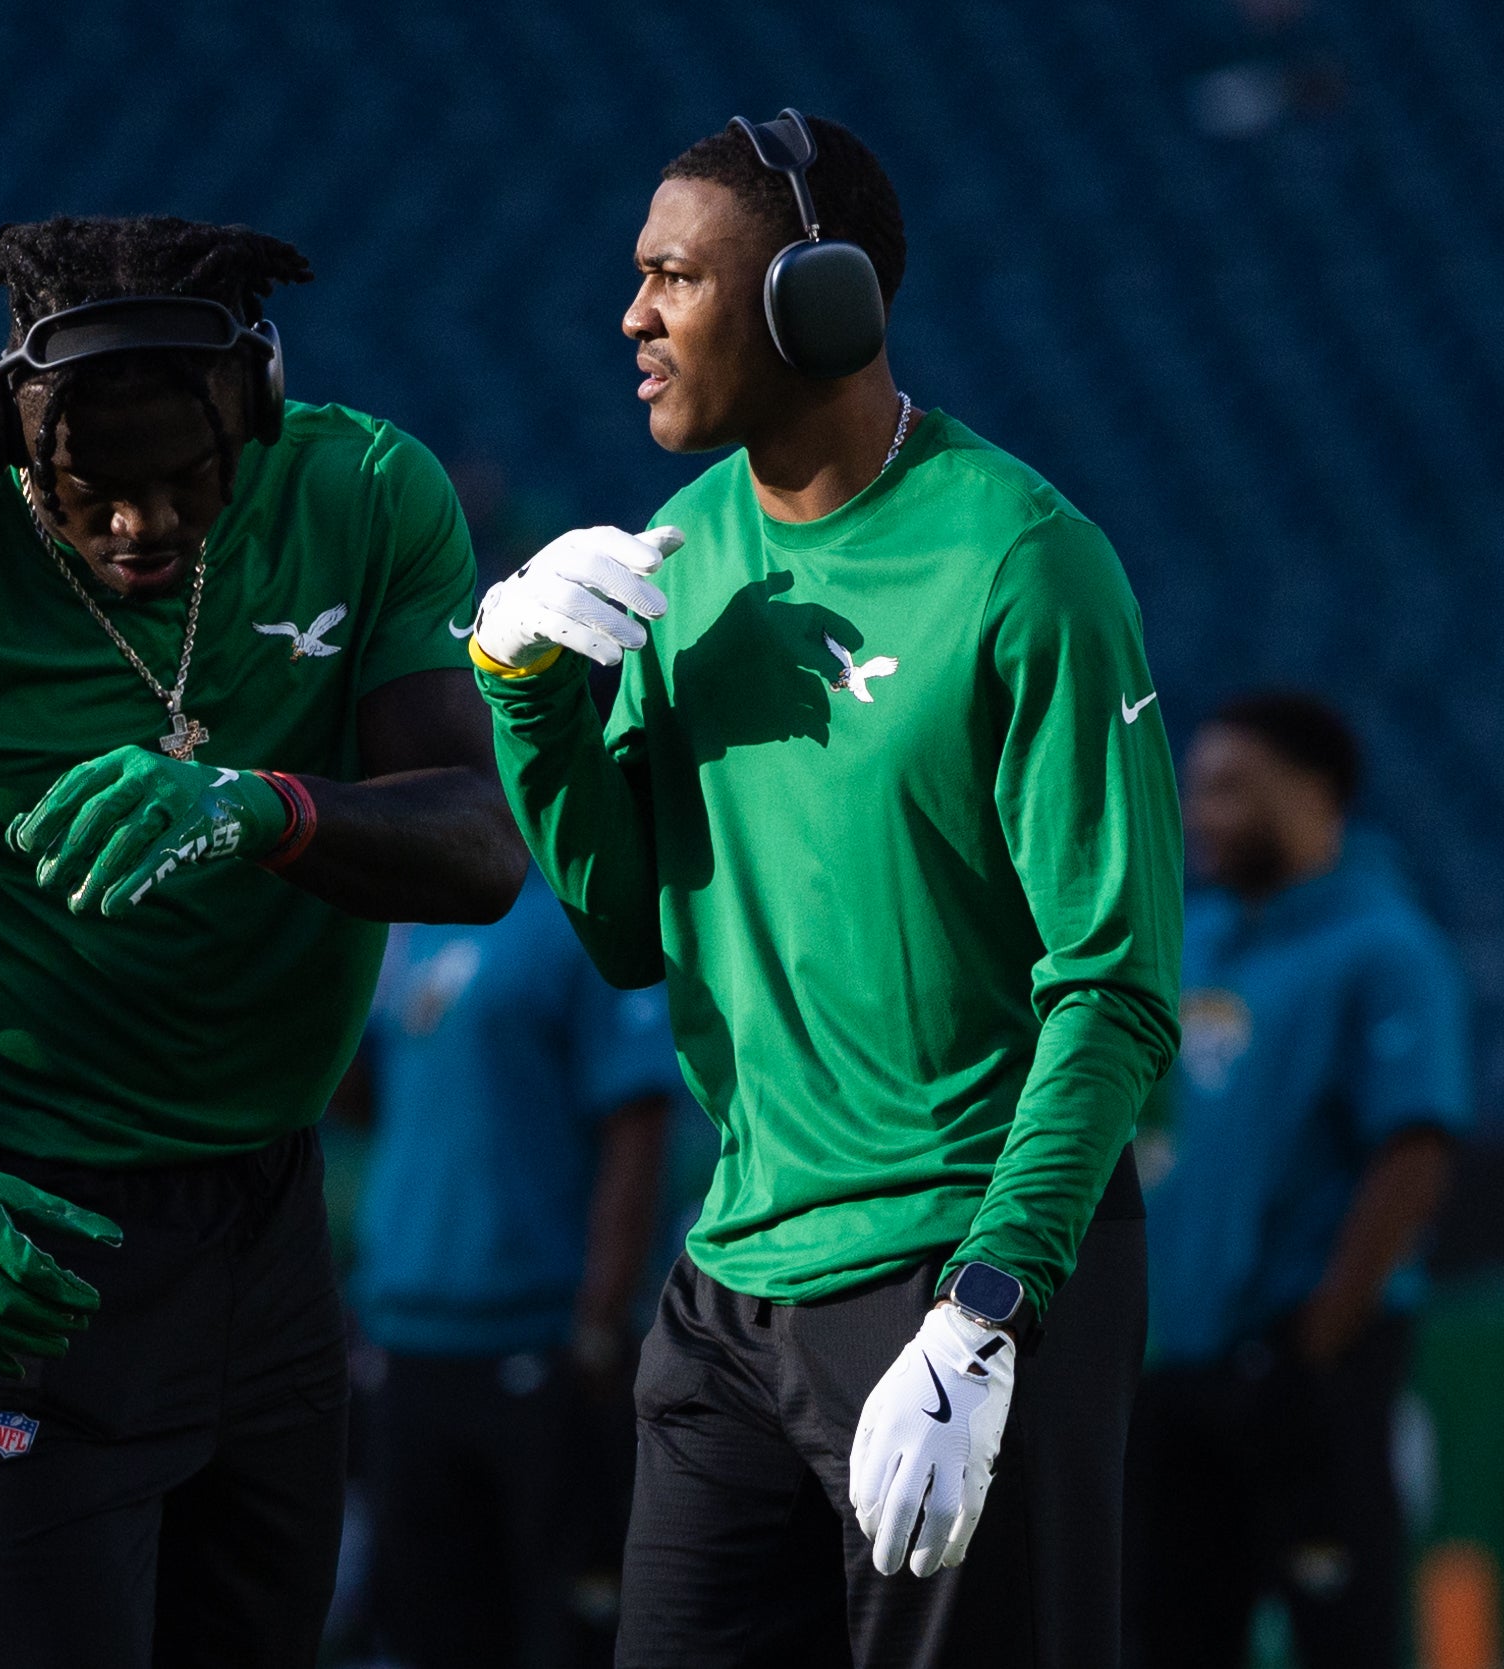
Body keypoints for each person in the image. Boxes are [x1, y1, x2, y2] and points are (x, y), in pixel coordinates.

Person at [0, 213, 527, 1668]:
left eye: (186, 478)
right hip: (7, 1235)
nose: (142, 527)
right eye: (90, 491)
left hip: (269, 1224)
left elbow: (478, 848)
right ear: (7, 428)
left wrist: (270, 810)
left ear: (255, 408)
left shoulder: (368, 495)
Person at [466, 111, 1183, 1664]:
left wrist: (988, 1317)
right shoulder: (676, 554)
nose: (630, 318)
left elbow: (1116, 985)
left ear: (817, 302)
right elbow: (620, 931)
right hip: (734, 1280)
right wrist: (526, 699)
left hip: (963, 1276)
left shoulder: (1023, 562)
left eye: (672, 278)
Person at [1125, 693, 1467, 1669]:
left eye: (1232, 788)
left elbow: (1413, 1151)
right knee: (1171, 1634)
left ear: (1316, 796)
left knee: (1338, 1634)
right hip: (1171, 1367)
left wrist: (1314, 1339)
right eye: (1194, 790)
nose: (1202, 813)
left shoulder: (1385, 947)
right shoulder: (1183, 939)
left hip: (1305, 1362)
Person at [351, 869, 679, 1669]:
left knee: (562, 1629)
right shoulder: (410, 927)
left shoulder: (585, 919)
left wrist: (599, 1328)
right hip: (405, 1344)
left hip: (539, 1345)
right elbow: (361, 1091)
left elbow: (636, 1133)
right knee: (426, 1631)